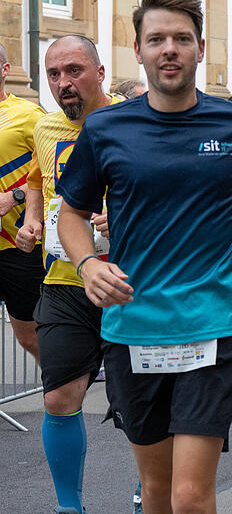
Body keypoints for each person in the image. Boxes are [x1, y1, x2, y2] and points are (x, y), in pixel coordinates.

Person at [55, 0, 232, 514]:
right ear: (137, 50)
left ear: (200, 47)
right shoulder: (106, 128)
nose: (169, 49)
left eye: (182, 38)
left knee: (189, 494)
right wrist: (89, 264)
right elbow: (71, 213)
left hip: (213, 323)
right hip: (134, 326)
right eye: (156, 39)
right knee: (155, 490)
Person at [15, 35, 123, 514]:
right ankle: (69, 508)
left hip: (127, 284)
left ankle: (149, 494)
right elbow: (39, 177)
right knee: (58, 397)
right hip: (64, 281)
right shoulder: (45, 128)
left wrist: (118, 213)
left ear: (100, 73)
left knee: (141, 406)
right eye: (54, 74)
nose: (64, 84)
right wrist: (32, 218)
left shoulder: (132, 117)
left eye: (74, 71)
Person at [0, 42, 45, 362]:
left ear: (5, 70)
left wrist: (14, 196)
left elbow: (54, 173)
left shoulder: (29, 114)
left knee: (29, 337)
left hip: (17, 245)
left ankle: (62, 400)